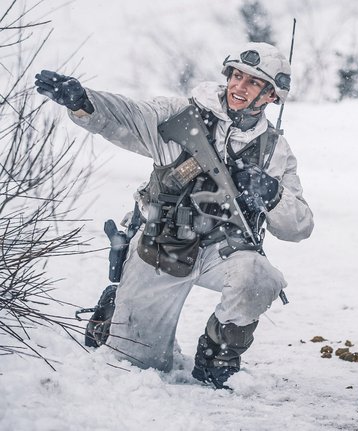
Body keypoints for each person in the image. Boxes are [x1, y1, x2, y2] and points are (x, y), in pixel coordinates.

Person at [35, 42, 314, 389]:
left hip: (222, 252)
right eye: (237, 76)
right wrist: (83, 101)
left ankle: (218, 355)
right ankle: (114, 312)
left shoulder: (275, 150)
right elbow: (127, 115)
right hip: (162, 248)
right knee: (138, 366)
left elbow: (299, 226)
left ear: (271, 96)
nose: (239, 88)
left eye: (253, 83)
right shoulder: (182, 115)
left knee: (260, 278)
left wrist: (270, 193)